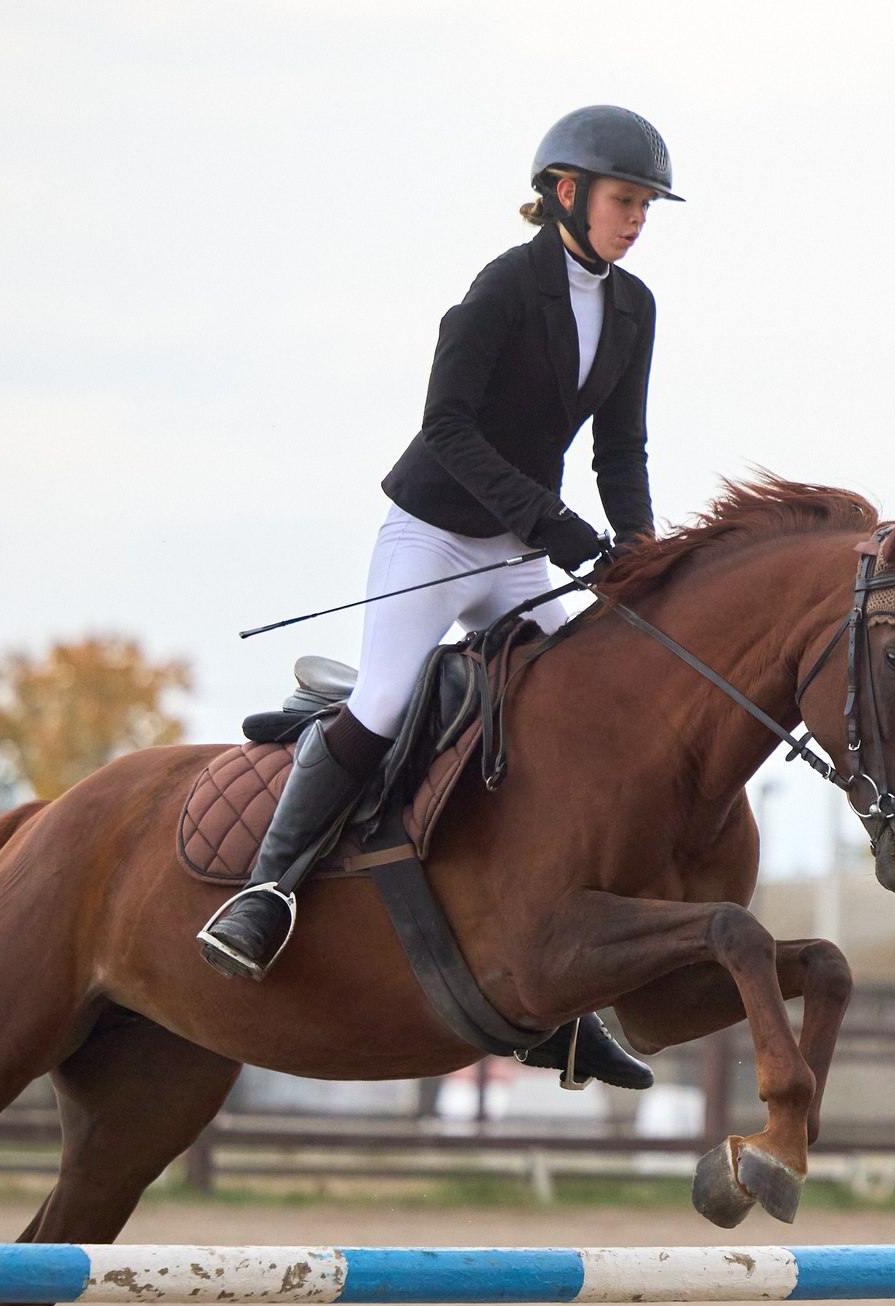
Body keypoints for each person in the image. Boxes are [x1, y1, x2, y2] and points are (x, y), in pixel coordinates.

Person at [199, 105, 676, 1089]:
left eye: (645, 205)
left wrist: (637, 554)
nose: (637, 220)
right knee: (380, 703)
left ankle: (554, 990)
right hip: (433, 535)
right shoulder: (502, 289)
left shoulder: (635, 308)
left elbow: (618, 450)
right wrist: (552, 525)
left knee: (582, 715)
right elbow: (448, 428)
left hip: (516, 554)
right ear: (564, 193)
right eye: (625, 201)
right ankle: (264, 893)